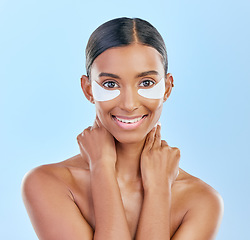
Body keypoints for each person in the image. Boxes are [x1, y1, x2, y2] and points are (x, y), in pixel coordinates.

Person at [21, 17, 224, 240]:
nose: (129, 104)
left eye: (146, 82)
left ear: (167, 88)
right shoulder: (48, 183)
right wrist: (102, 169)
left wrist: (158, 190)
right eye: (110, 84)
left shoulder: (201, 201)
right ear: (88, 90)